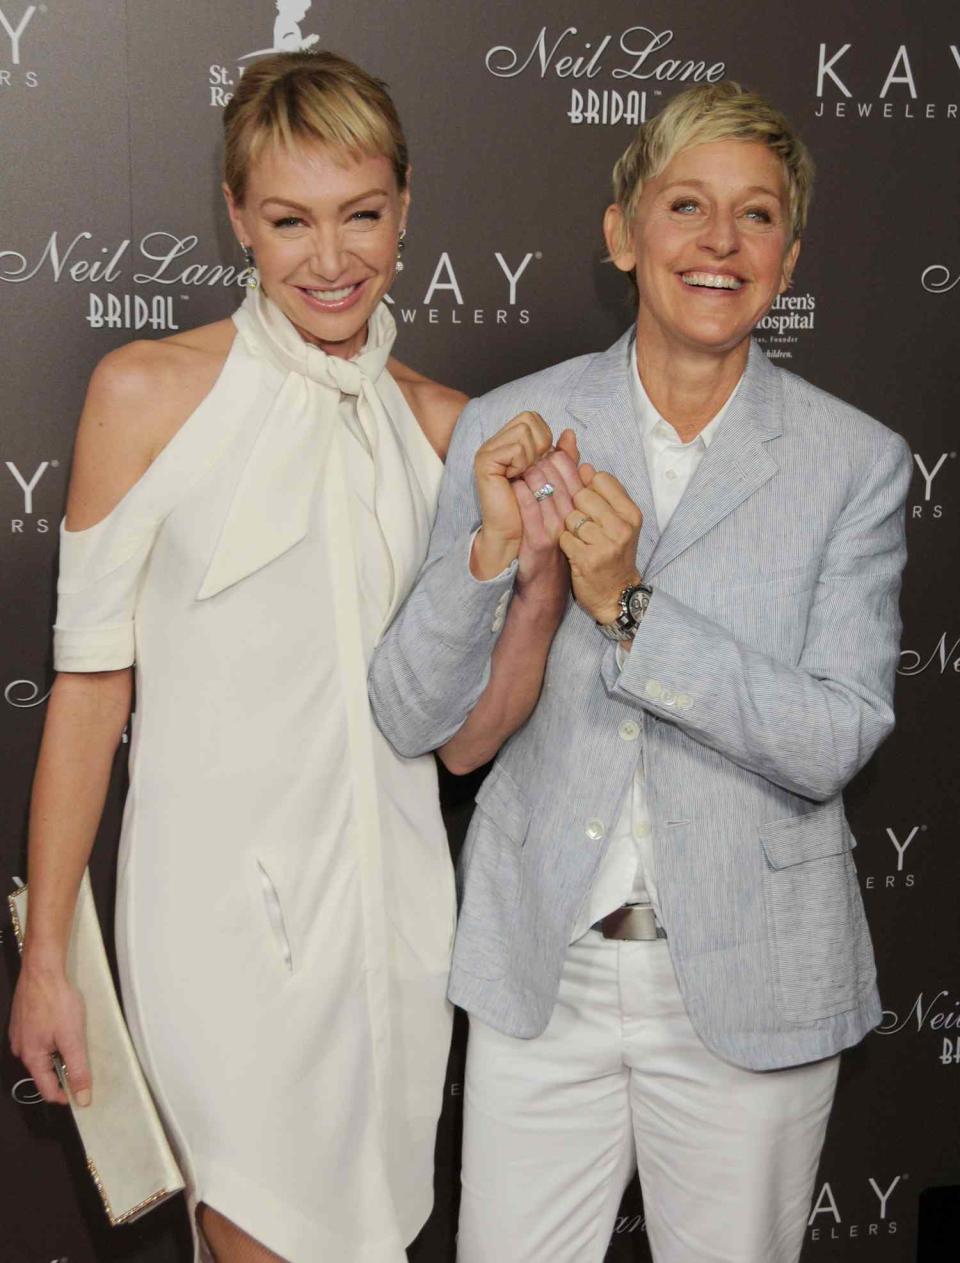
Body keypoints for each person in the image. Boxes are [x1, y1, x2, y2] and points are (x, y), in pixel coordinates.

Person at [369, 81, 913, 1263]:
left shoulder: (855, 462)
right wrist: (489, 553)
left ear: (790, 255)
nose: (721, 242)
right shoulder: (514, 423)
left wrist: (629, 608)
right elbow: (411, 713)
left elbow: (834, 736)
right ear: (624, 234)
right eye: (686, 205)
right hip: (538, 975)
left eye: (756, 216)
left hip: (752, 988)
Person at [9, 51, 466, 1263]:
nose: (331, 258)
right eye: (289, 220)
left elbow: (466, 719)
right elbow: (91, 687)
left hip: (399, 925)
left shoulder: (442, 429)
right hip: (219, 927)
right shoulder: (146, 391)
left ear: (405, 206)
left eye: (361, 214)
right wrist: (48, 955)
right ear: (238, 221)